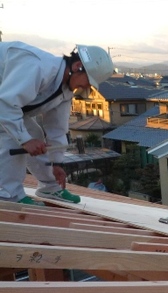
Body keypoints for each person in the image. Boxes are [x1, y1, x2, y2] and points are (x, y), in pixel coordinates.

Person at [0, 41, 114, 205]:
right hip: (3, 103)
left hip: (4, 102)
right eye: (88, 82)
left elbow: (57, 129)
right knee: (12, 136)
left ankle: (50, 187)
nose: (86, 87)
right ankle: (8, 194)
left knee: (33, 134)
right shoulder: (37, 67)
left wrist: (57, 163)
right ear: (77, 66)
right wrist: (24, 140)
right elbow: (6, 104)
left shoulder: (65, 90)